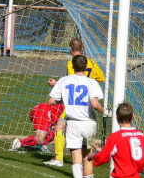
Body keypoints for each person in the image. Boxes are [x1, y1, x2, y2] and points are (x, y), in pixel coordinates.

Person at [47, 55, 109, 178]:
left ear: (72, 66)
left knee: (76, 158)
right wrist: (105, 111)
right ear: (86, 67)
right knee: (87, 156)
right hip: (89, 123)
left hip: (73, 123)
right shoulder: (91, 82)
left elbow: (51, 101)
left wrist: (63, 99)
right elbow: (94, 104)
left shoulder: (63, 80)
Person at [44, 37, 105, 168]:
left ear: (70, 49)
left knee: (60, 126)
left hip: (75, 101)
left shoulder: (72, 63)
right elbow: (101, 77)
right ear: (82, 48)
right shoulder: (92, 63)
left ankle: (59, 158)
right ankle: (87, 166)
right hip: (87, 102)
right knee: (85, 137)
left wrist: (56, 84)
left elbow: (73, 79)